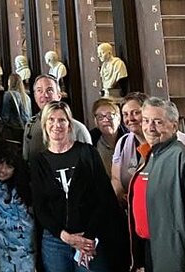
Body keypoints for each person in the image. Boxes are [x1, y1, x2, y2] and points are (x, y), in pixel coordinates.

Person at [31, 101, 129, 272]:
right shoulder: (39, 161)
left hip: (90, 238)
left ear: (69, 124)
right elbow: (40, 207)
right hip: (56, 242)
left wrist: (88, 237)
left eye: (62, 120)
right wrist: (65, 236)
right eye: (51, 120)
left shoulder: (87, 153)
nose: (56, 125)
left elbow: (104, 198)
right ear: (44, 125)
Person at [127, 97, 185, 271]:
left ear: (174, 126)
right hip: (151, 252)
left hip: (177, 256)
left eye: (158, 122)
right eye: (146, 121)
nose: (150, 128)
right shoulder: (150, 155)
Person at [22, 74, 91, 165]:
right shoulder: (30, 126)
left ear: (59, 96)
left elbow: (89, 163)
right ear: (35, 96)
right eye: (39, 90)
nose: (45, 95)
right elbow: (26, 160)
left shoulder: (78, 129)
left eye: (49, 90)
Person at [0, 141, 34, 272]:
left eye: (9, 166)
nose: (3, 170)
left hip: (23, 253)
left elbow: (27, 226)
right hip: (1, 251)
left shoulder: (20, 191)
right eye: (0, 163)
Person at [88, 98, 126, 175]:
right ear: (96, 122)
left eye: (110, 115)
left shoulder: (130, 138)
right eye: (100, 117)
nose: (105, 120)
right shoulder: (90, 141)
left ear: (119, 118)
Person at [1, 73, 31, 142]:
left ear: (10, 82)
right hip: (26, 130)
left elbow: (5, 117)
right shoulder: (27, 97)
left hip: (13, 131)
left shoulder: (8, 95)